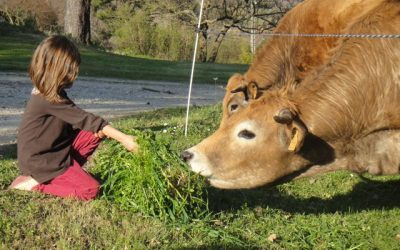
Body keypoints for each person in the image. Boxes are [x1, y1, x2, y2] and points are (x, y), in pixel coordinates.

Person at [8, 35, 138, 200]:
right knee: (91, 190)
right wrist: (125, 139)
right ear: (58, 69)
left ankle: (69, 175)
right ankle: (35, 185)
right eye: (71, 68)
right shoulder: (47, 99)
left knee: (95, 132)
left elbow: (80, 123)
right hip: (42, 163)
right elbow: (87, 119)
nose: (75, 73)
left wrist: (101, 131)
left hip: (54, 153)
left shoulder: (52, 94)